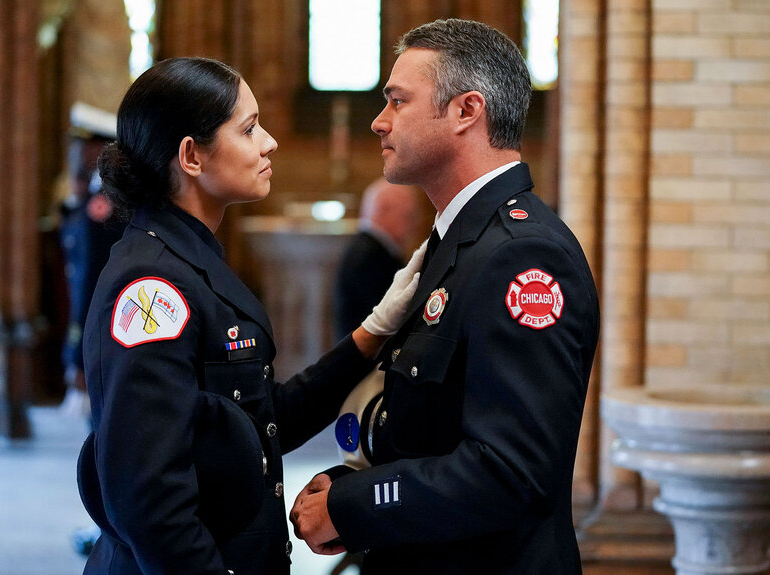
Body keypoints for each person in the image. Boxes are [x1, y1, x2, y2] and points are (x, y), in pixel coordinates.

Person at [76, 57, 425, 575]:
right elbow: (148, 500)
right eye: (248, 128)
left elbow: (262, 420)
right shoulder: (152, 287)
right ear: (191, 156)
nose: (269, 143)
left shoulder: (187, 260)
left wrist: (372, 333)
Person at [289, 19, 600, 575]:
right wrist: (350, 485)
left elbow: (513, 472)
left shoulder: (521, 256)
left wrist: (356, 504)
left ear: (466, 111)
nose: (378, 122)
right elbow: (437, 427)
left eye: (397, 101)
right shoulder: (459, 242)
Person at [58, 102, 126, 421]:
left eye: (81, 146)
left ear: (99, 150)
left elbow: (90, 282)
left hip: (100, 336)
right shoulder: (98, 199)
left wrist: (78, 358)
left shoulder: (101, 207)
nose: (75, 155)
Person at [333, 177, 422, 341]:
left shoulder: (371, 248)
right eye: (409, 215)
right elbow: (392, 315)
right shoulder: (370, 256)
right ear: (384, 210)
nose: (415, 224)